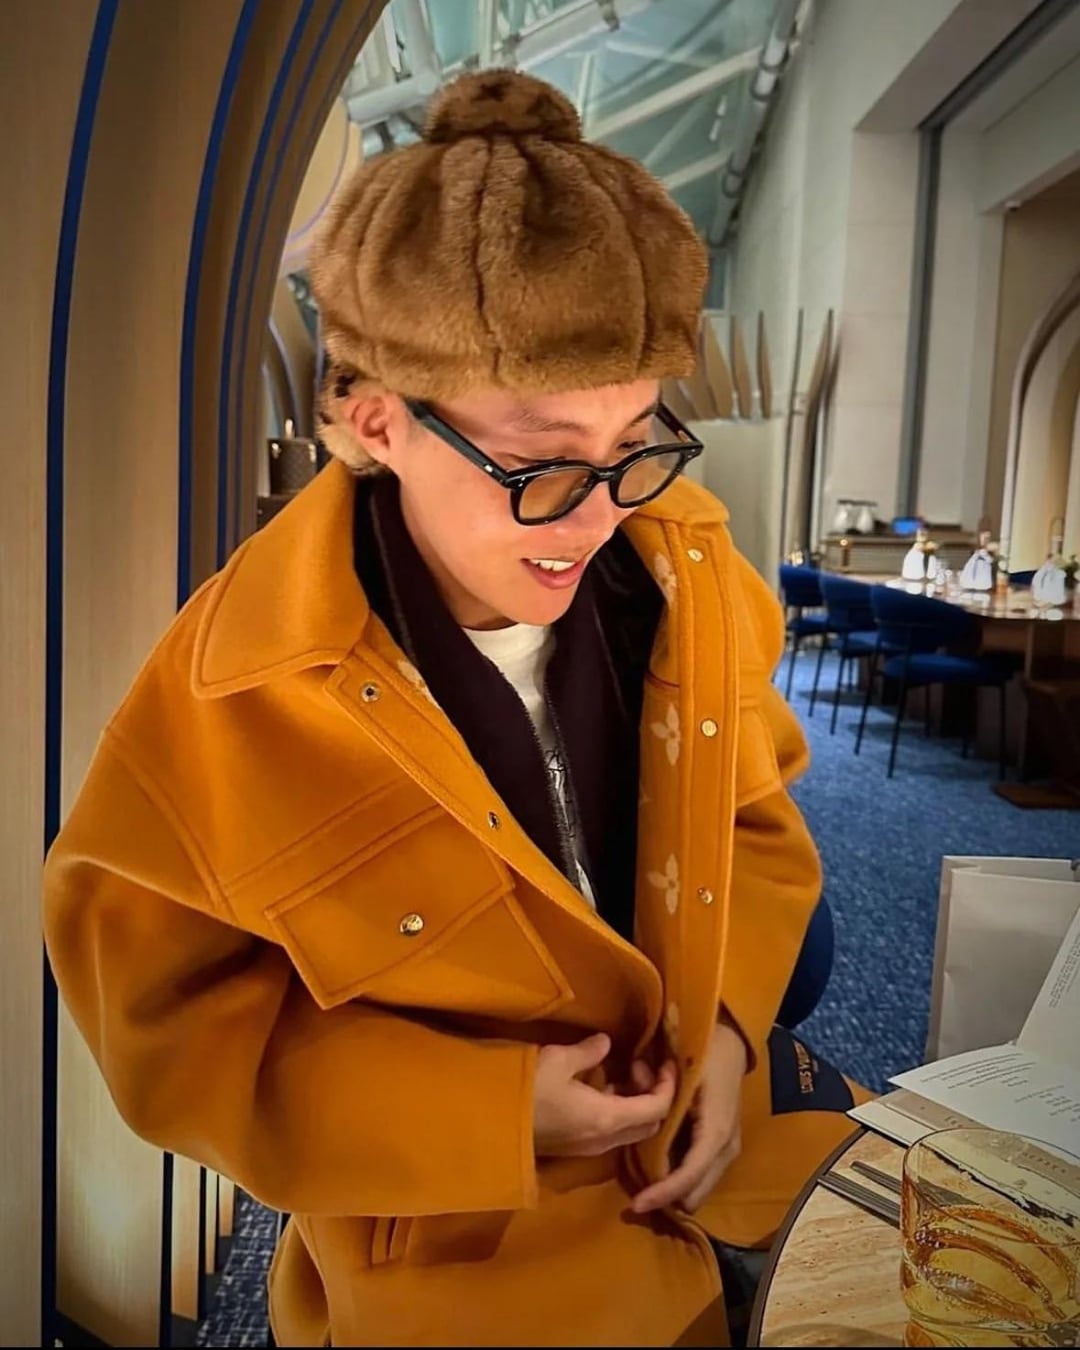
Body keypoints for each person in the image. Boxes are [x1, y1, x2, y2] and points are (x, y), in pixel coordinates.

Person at [44, 70, 865, 1349]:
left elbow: (757, 819)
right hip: (457, 1254)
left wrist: (727, 1030)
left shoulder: (692, 568)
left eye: (635, 444)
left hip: (731, 1163)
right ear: (376, 420)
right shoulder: (234, 691)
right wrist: (493, 1112)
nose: (601, 515)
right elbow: (170, 1035)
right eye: (540, 464)